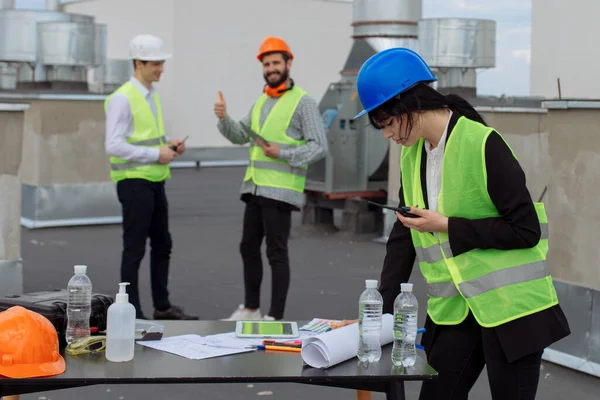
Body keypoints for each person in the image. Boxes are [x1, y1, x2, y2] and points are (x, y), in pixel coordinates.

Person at [353, 48, 571, 400]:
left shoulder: (483, 144)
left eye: (388, 123)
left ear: (409, 104)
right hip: (455, 313)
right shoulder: (412, 155)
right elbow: (404, 235)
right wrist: (384, 306)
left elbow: (526, 231)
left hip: (511, 310)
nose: (387, 135)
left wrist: (447, 225)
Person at [214, 36, 328, 321]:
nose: (271, 68)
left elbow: (319, 146)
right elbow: (240, 135)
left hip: (280, 191)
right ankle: (251, 309)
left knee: (276, 253)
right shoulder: (262, 101)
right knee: (248, 247)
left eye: (276, 62)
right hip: (255, 187)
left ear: (288, 63)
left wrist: (284, 153)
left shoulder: (304, 102)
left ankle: (275, 317)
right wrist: (223, 118)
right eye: (266, 64)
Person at [104, 34, 197, 321]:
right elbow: (113, 145)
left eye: (161, 63)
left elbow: (145, 139)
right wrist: (156, 154)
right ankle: (131, 312)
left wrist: (169, 145)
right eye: (156, 63)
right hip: (134, 182)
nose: (161, 69)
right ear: (138, 63)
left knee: (162, 244)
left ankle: (162, 306)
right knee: (134, 248)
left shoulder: (150, 95)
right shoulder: (122, 98)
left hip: (155, 180)